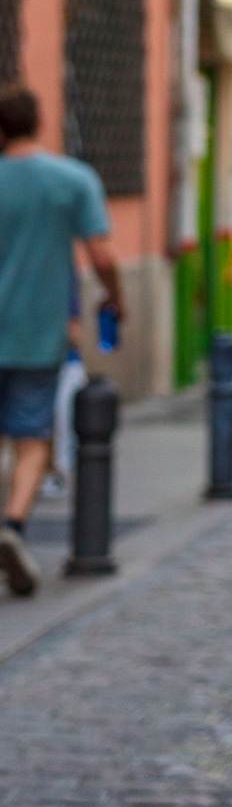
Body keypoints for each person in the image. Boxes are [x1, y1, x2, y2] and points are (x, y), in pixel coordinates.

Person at [0, 83, 122, 597]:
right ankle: (14, 524)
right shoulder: (72, 180)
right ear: (39, 122)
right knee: (32, 438)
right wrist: (115, 298)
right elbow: (101, 256)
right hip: (37, 331)